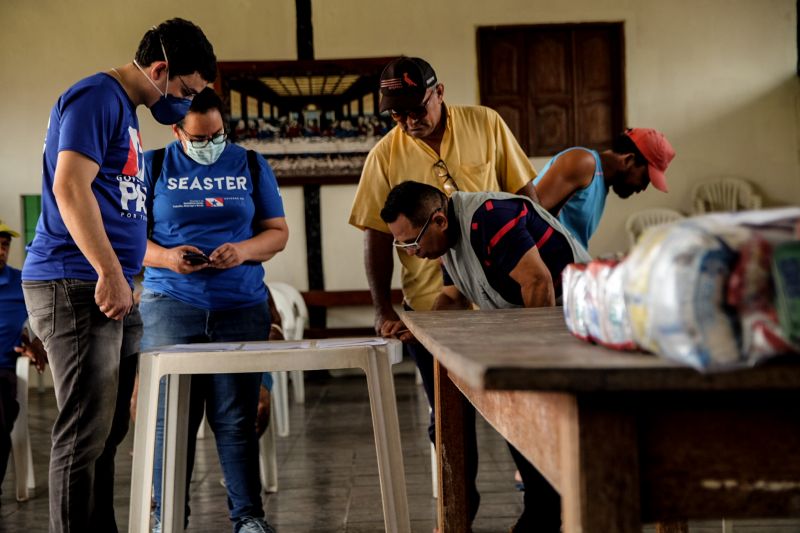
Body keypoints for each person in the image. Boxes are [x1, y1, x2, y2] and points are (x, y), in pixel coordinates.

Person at [20, 19, 216, 533]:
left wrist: (124, 276)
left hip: (112, 287)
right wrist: (109, 271)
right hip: (75, 281)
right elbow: (69, 188)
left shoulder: (123, 109)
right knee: (84, 431)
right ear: (160, 70)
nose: (184, 101)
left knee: (108, 431)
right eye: (186, 90)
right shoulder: (95, 97)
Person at [348, 56, 539, 523]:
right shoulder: (385, 154)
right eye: (396, 114)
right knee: (450, 418)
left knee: (520, 409)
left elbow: (525, 199)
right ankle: (459, 509)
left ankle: (540, 505)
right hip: (435, 310)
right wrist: (382, 307)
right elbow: (375, 235)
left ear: (440, 92)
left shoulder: (486, 124)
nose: (409, 122)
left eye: (416, 109)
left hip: (499, 304)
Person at [380, 182, 590, 531]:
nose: (412, 253)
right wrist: (419, 330)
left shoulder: (489, 218)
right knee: (513, 418)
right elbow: (452, 298)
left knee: (530, 416)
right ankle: (542, 514)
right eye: (401, 245)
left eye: (413, 242)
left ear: (439, 221)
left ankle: (549, 515)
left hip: (573, 320)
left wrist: (531, 363)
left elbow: (538, 282)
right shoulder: (448, 240)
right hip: (534, 326)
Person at [140, 87, 288, 533]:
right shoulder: (154, 165)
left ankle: (248, 518)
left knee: (236, 418)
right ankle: (168, 517)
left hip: (240, 306)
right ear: (177, 131)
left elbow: (277, 232)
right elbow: (126, 239)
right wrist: (167, 258)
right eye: (200, 138)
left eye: (218, 135)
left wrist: (242, 251)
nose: (210, 145)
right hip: (171, 306)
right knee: (172, 420)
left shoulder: (249, 163)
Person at [533, 128, 676, 248]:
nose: (643, 188)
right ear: (628, 160)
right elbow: (527, 216)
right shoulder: (583, 163)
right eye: (645, 179)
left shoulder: (601, 183)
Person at [0, 221, 48, 503]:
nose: (1, 250)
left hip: (3, 369)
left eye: (4, 245)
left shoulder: (21, 283)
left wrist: (34, 343)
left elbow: (41, 319)